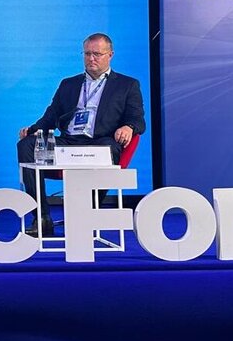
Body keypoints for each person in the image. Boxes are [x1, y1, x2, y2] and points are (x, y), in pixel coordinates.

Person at [17, 33, 145, 237]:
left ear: (110, 55)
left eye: (97, 54)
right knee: (26, 146)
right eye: (87, 54)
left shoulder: (127, 85)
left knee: (110, 148)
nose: (91, 58)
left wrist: (129, 127)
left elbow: (138, 119)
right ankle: (41, 216)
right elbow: (51, 116)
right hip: (69, 141)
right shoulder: (69, 84)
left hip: (100, 141)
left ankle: (87, 212)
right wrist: (32, 130)